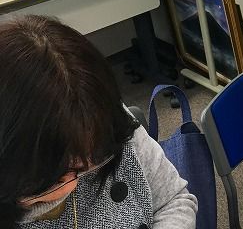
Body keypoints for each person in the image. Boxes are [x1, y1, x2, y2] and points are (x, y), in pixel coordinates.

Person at [0, 15, 198, 228]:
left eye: (91, 159)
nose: (72, 185)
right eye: (58, 177)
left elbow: (173, 201)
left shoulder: (107, 120)